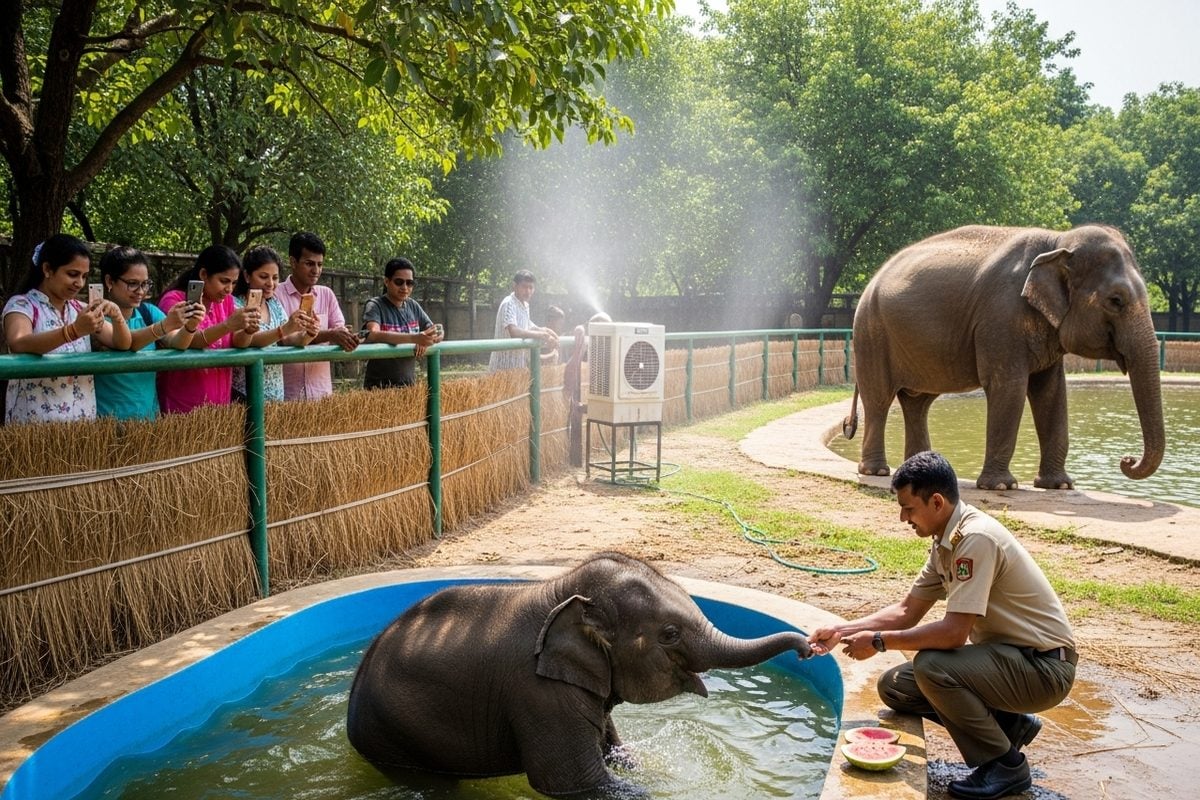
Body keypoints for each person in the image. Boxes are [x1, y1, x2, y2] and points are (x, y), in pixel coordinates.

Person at [808, 451, 1077, 800]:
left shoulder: (975, 539)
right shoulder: (945, 543)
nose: (903, 517)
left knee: (933, 667)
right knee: (896, 687)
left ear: (936, 501)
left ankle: (1006, 765)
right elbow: (907, 611)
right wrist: (840, 631)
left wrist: (878, 642)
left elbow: (953, 635)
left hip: (1043, 669)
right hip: (1008, 660)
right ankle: (1009, 723)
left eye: (908, 508)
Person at [3, 234, 131, 424]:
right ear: (47, 269)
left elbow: (122, 343)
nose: (79, 283)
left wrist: (118, 317)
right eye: (72, 274)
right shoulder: (22, 305)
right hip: (34, 424)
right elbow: (19, 342)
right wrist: (73, 331)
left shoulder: (81, 308)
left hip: (81, 421)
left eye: (84, 276)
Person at [94, 246, 203, 420]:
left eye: (145, 284)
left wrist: (191, 325)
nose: (141, 291)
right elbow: (127, 343)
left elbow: (178, 342)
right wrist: (165, 325)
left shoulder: (149, 312)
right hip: (107, 420)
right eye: (132, 284)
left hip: (149, 417)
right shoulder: (96, 317)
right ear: (109, 281)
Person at [156, 245, 260, 414]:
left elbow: (237, 342)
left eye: (234, 283)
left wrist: (248, 330)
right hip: (182, 406)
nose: (229, 289)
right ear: (204, 274)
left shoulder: (226, 301)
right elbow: (187, 341)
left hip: (220, 407)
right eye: (224, 281)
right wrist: (227, 325)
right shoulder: (175, 301)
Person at [230, 245, 318, 403]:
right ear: (247, 276)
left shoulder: (274, 304)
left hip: (276, 396)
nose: (270, 283)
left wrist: (308, 334)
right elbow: (248, 339)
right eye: (263, 277)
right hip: (244, 395)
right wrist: (284, 329)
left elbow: (288, 339)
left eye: (275, 278)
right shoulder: (234, 305)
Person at [276, 231, 358, 400]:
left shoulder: (326, 294)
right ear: (293, 262)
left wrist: (346, 336)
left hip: (322, 393)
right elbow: (283, 337)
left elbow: (338, 328)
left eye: (320, 264)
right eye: (309, 263)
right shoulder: (275, 295)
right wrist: (330, 334)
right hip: (285, 395)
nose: (316, 270)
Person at [360, 257, 442, 389]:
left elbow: (433, 330)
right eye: (399, 282)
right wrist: (415, 338)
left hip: (408, 386)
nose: (404, 287)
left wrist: (432, 337)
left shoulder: (413, 305)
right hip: (378, 388)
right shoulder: (375, 305)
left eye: (409, 283)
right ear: (387, 281)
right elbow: (372, 333)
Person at [487, 270, 558, 372]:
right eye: (524, 287)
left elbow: (528, 326)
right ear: (514, 286)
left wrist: (546, 330)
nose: (528, 291)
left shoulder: (524, 305)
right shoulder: (509, 303)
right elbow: (514, 331)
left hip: (518, 369)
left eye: (531, 288)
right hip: (502, 370)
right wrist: (542, 335)